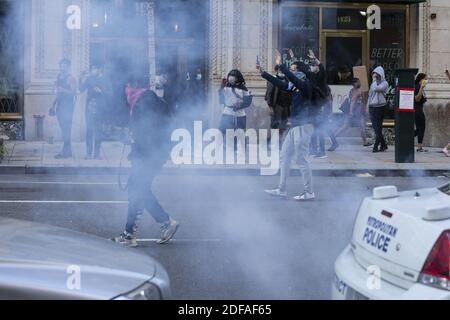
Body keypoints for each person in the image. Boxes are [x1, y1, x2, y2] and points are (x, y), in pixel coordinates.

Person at [112, 77, 179, 247]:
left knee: (137, 189)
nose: (125, 92)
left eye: (127, 87)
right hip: (150, 153)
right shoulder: (144, 100)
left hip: (149, 155)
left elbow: (150, 129)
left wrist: (135, 141)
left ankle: (135, 232)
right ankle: (133, 232)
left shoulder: (144, 101)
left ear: (133, 86)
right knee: (138, 189)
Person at [258, 52, 315, 201]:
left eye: (294, 69)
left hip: (303, 126)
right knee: (284, 156)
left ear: (301, 72)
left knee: (301, 159)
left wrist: (282, 65)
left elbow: (294, 80)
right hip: (294, 126)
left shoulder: (306, 85)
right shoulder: (295, 86)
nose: (293, 72)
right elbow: (281, 84)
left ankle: (309, 192)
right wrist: (264, 74)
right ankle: (281, 189)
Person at [79, 63, 109, 159]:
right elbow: (81, 89)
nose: (92, 70)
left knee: (98, 131)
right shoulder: (89, 79)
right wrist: (81, 78)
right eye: (92, 68)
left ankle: (97, 154)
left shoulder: (105, 80)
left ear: (99, 69)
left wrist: (101, 92)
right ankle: (88, 153)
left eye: (94, 68)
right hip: (89, 108)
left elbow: (110, 93)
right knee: (89, 130)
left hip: (100, 108)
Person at [218, 70, 253, 153]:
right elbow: (221, 99)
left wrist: (241, 104)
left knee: (239, 133)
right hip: (227, 112)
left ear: (237, 78)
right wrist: (221, 87)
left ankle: (240, 149)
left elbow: (248, 102)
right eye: (230, 75)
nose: (231, 77)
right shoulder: (225, 87)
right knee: (223, 130)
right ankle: (221, 147)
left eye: (233, 75)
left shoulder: (243, 88)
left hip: (240, 114)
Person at [335, 78, 370, 147]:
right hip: (357, 112)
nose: (359, 83)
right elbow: (352, 102)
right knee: (359, 126)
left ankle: (365, 141)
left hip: (357, 111)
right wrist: (351, 112)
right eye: (358, 82)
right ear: (355, 83)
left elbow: (357, 101)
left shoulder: (352, 91)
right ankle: (365, 142)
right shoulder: (357, 91)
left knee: (347, 126)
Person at [53, 58, 77, 159]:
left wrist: (63, 90)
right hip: (60, 105)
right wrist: (53, 104)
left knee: (66, 129)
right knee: (64, 130)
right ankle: (68, 151)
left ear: (68, 66)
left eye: (65, 65)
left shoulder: (71, 78)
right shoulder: (59, 77)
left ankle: (65, 152)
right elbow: (57, 92)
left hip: (68, 107)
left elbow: (73, 93)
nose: (62, 67)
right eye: (61, 65)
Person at [264, 65, 292, 142]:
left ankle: (280, 141)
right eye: (280, 70)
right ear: (277, 70)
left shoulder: (287, 80)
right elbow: (269, 94)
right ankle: (271, 141)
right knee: (275, 124)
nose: (282, 72)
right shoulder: (273, 79)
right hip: (277, 106)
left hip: (286, 106)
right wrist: (270, 107)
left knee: (284, 124)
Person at [368, 66, 389, 153]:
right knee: (376, 127)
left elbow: (376, 88)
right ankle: (383, 145)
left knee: (378, 127)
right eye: (374, 73)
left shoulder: (385, 83)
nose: (375, 75)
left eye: (376, 74)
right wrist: (367, 107)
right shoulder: (373, 83)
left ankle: (376, 147)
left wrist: (373, 80)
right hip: (372, 107)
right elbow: (370, 95)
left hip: (380, 107)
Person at [414, 73, 428, 152]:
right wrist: (421, 88)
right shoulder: (417, 87)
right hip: (417, 109)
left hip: (420, 109)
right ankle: (419, 147)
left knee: (420, 128)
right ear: (421, 80)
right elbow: (417, 99)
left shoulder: (421, 88)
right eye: (425, 79)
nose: (426, 81)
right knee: (421, 127)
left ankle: (419, 146)